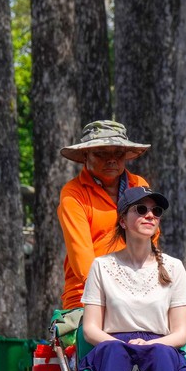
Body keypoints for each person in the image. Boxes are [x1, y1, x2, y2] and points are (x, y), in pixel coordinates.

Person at [79, 186, 186, 371]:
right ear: (123, 220)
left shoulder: (174, 267)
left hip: (161, 346)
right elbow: (90, 328)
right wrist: (125, 346)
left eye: (156, 211)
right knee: (114, 352)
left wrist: (148, 346)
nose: (150, 215)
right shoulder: (101, 266)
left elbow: (181, 332)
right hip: (113, 344)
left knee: (161, 354)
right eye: (141, 209)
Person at [58, 120, 152, 310]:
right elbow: (83, 263)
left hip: (139, 293)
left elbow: (151, 242)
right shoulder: (74, 193)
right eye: (101, 153)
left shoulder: (139, 185)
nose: (111, 159)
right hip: (87, 297)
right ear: (86, 155)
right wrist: (119, 295)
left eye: (118, 152)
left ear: (126, 155)